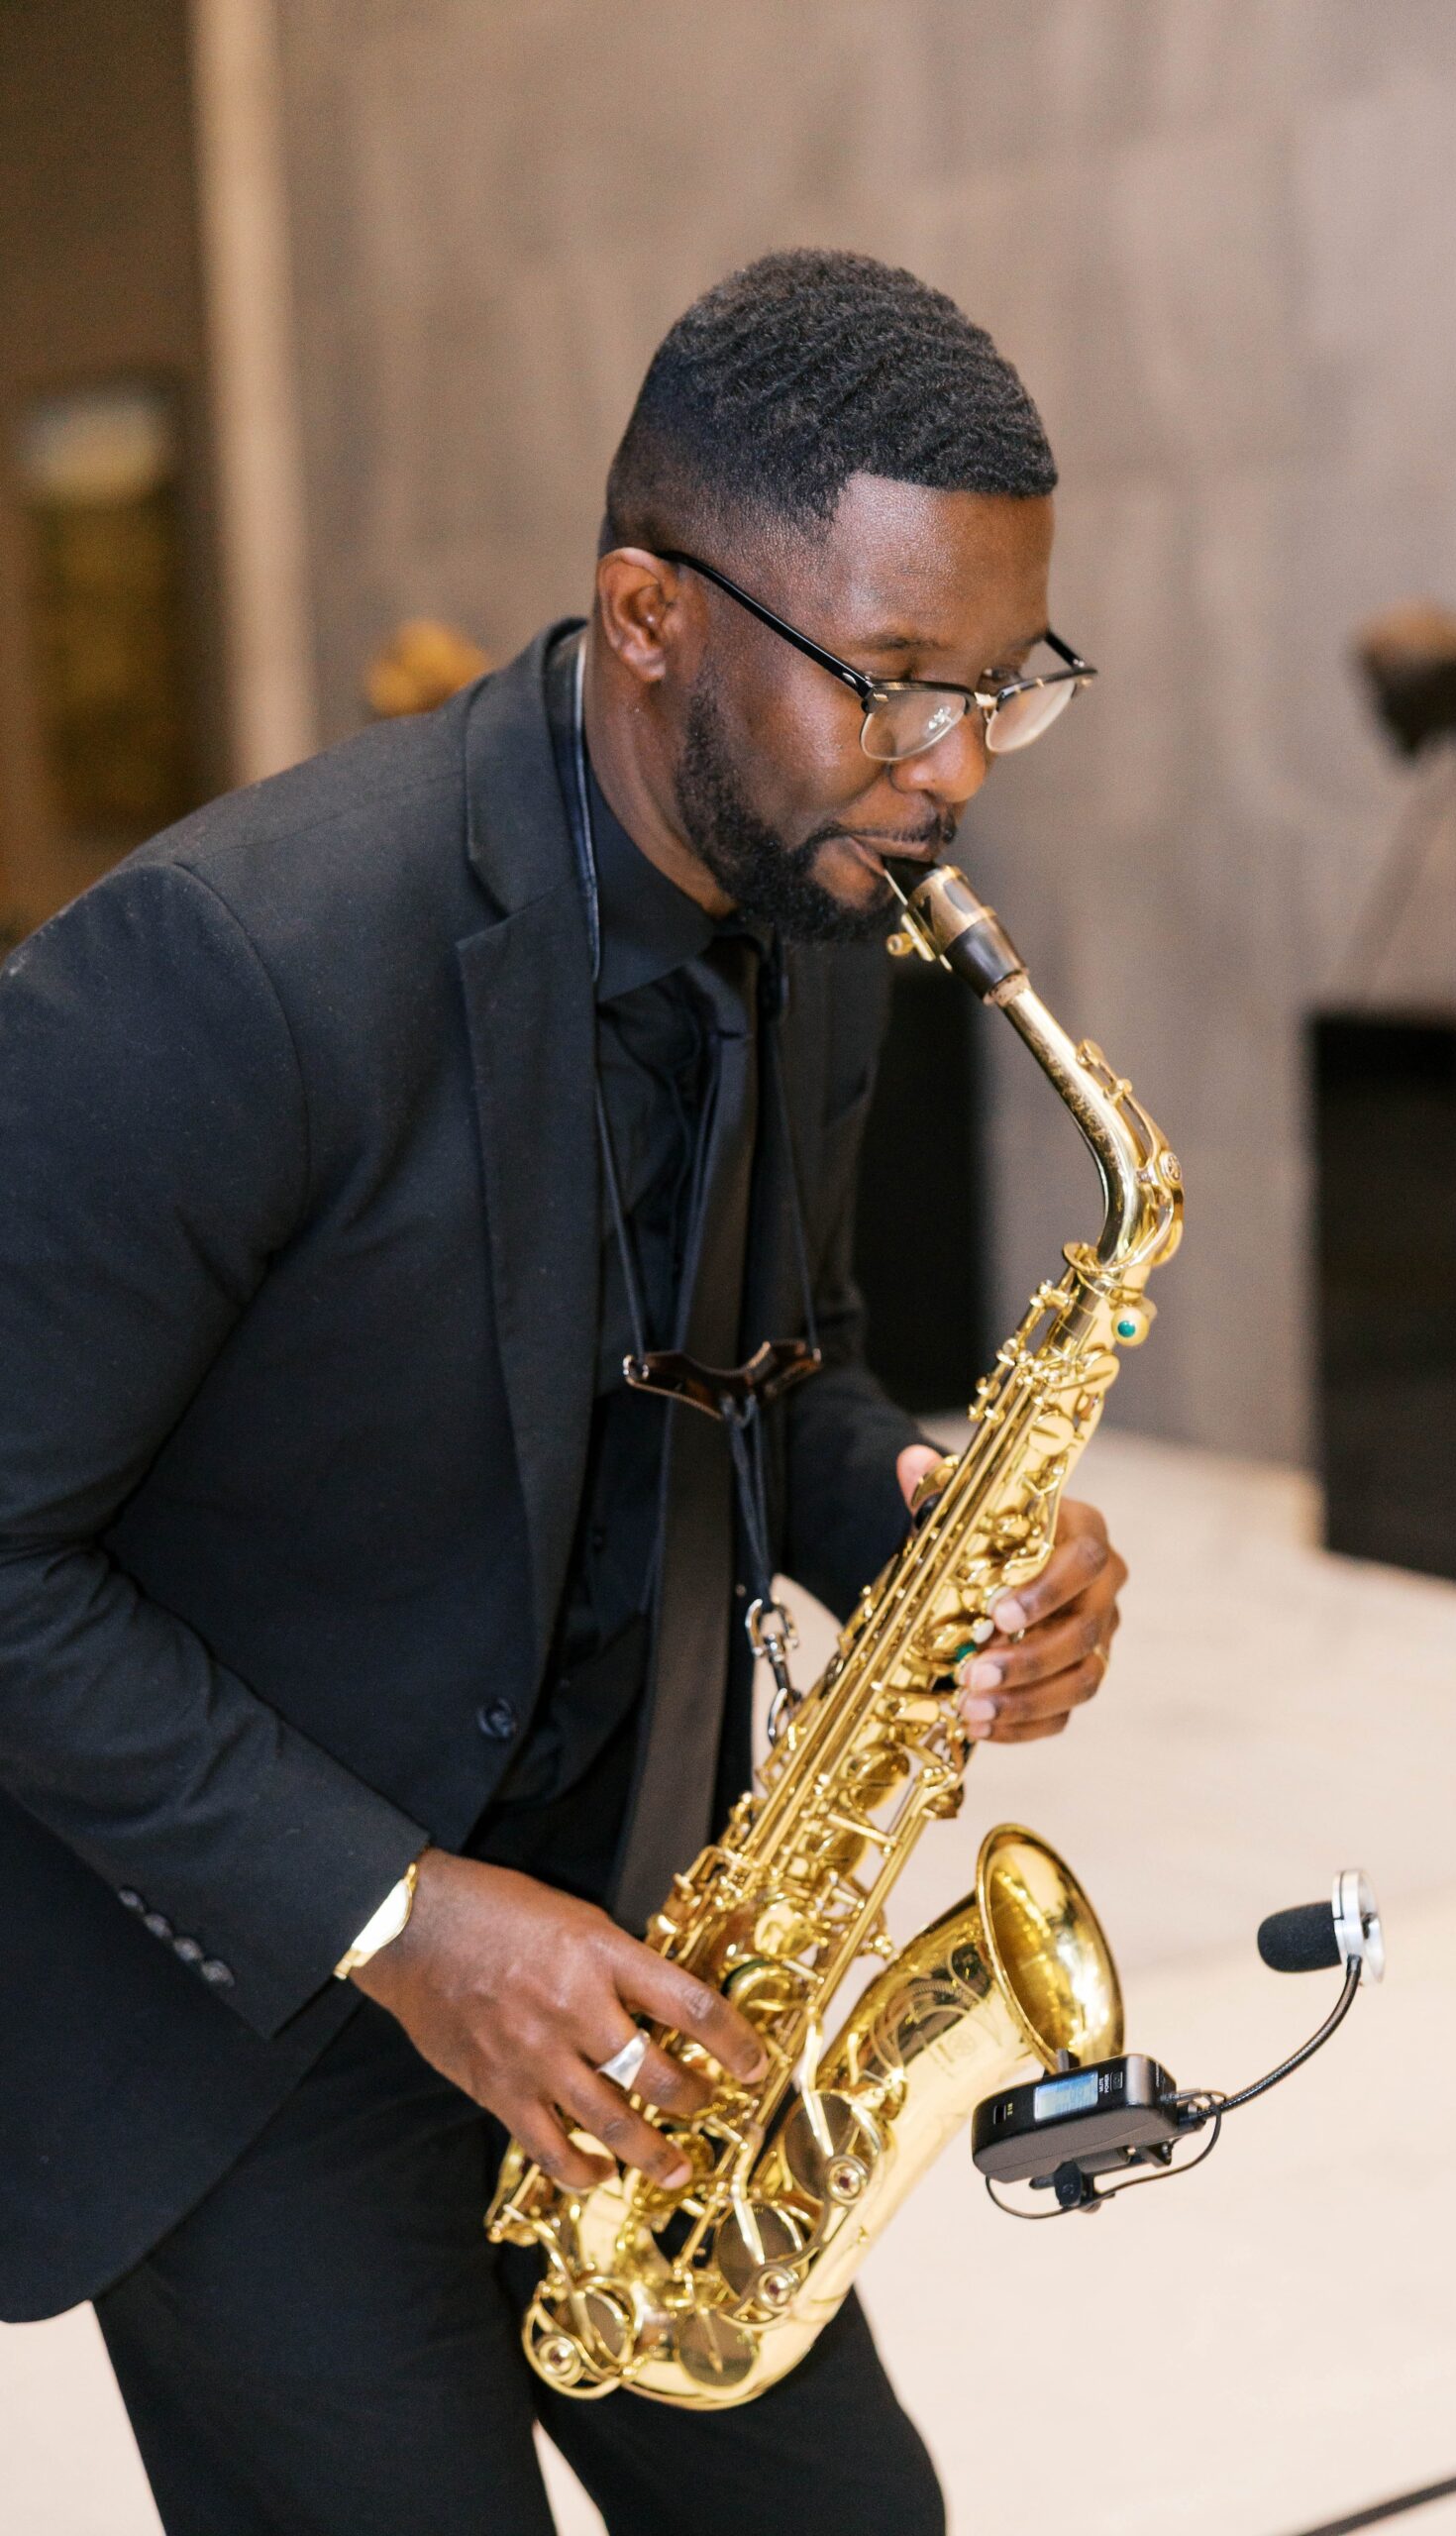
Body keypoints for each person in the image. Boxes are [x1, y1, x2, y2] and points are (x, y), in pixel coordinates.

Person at [0, 250, 1127, 2536]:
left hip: (645, 1973)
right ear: (645, 612)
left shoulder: (824, 910)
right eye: (895, 683)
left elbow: (769, 1366)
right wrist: (403, 1915)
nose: (958, 768)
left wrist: (920, 1519)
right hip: (260, 2022)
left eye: (1004, 684)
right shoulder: (227, 971)